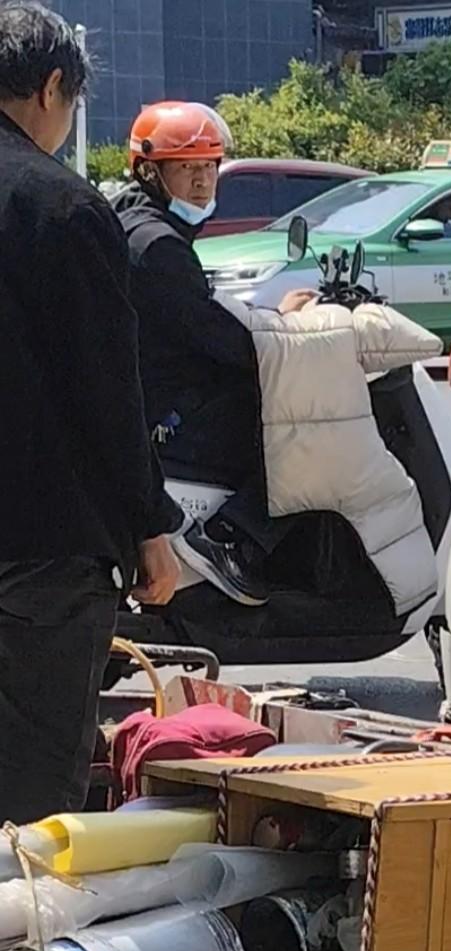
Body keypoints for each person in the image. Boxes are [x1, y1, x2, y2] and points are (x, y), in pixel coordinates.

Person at [0, 3, 180, 824]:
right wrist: (150, 528)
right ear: (49, 89)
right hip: (44, 550)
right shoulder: (63, 210)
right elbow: (109, 391)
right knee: (35, 810)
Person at [114, 101, 315, 607]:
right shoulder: (157, 244)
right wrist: (282, 331)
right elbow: (222, 340)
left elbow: (194, 314)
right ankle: (232, 537)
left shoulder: (133, 221)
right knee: (299, 423)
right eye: (187, 169)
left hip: (146, 391)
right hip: (166, 411)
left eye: (210, 167)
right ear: (150, 172)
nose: (203, 182)